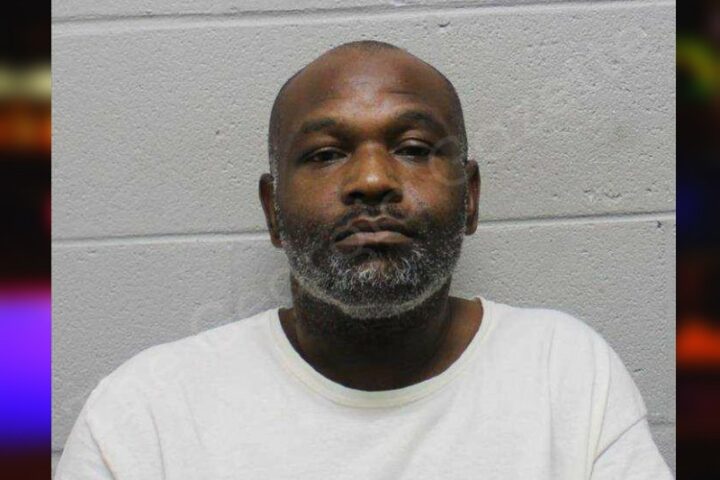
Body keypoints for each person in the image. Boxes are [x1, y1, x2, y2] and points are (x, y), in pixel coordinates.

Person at [56, 40, 673, 479]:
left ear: (470, 199)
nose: (373, 180)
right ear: (272, 212)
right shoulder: (148, 412)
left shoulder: (565, 373)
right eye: (325, 155)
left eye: (413, 148)